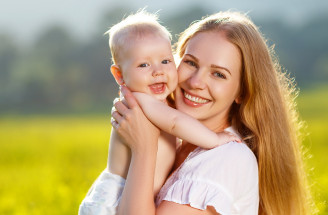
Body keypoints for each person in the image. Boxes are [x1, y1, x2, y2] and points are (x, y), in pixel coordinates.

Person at [110, 11, 312, 215]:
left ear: (242, 92)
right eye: (190, 62)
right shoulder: (181, 145)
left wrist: (144, 149)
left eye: (218, 74)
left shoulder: (227, 157)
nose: (195, 82)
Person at [79, 10, 240, 215]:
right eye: (144, 65)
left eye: (165, 61)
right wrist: (215, 139)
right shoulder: (141, 101)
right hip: (114, 201)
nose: (158, 71)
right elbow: (174, 122)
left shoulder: (158, 102)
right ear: (119, 74)